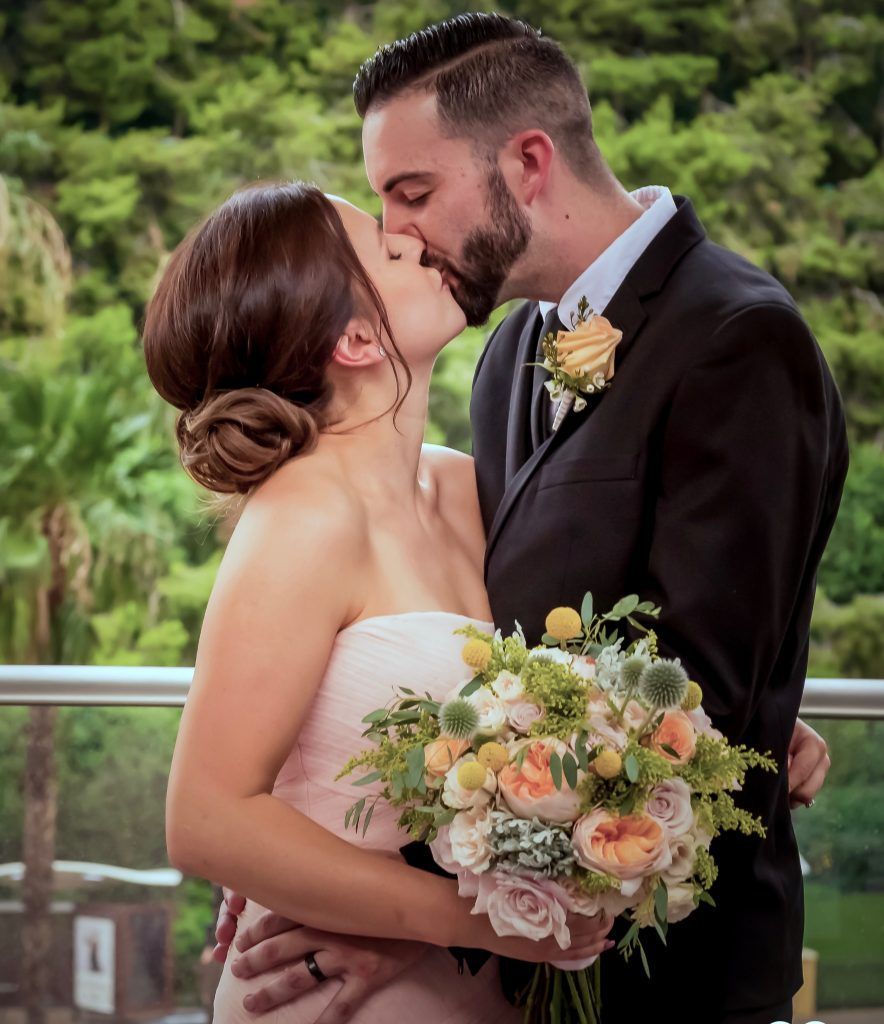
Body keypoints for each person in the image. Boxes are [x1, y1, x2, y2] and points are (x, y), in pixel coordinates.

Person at [215, 12, 846, 1024]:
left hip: (666, 975)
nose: (400, 232)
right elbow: (520, 632)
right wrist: (333, 856)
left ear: (528, 161)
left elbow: (700, 705)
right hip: (509, 970)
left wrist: (397, 913)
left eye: (412, 193)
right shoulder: (510, 358)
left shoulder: (738, 336)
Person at [144, 180, 616, 1024]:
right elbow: (207, 819)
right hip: (328, 997)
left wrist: (733, 725)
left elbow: (578, 668)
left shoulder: (466, 483)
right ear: (357, 338)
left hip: (489, 992)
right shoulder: (305, 514)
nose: (417, 241)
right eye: (388, 249)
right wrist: (483, 920)